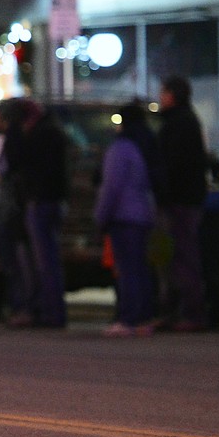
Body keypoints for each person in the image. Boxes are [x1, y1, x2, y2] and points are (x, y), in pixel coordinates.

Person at [94, 101, 161, 336]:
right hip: (142, 214)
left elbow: (111, 187)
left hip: (124, 216)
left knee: (127, 270)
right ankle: (143, 317)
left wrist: (100, 216)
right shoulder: (142, 146)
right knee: (140, 269)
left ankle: (129, 318)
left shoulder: (120, 149)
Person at [3, 99, 68, 328]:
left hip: (39, 201)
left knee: (43, 261)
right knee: (46, 259)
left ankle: (49, 312)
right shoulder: (53, 132)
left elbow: (16, 160)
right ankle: (50, 310)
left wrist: (14, 133)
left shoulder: (39, 135)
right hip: (50, 201)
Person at [155, 75, 209, 332]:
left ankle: (191, 312)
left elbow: (176, 164)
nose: (159, 97)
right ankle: (180, 311)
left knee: (182, 256)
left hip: (180, 200)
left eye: (163, 92)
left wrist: (165, 190)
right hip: (183, 198)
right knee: (176, 257)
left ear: (172, 95)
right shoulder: (183, 120)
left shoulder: (179, 123)